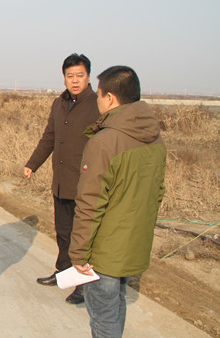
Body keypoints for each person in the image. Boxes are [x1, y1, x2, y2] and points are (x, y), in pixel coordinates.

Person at [70, 66, 166, 337]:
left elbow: (90, 203)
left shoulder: (105, 141)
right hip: (135, 242)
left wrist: (79, 253)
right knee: (117, 305)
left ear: (110, 98)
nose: (98, 101)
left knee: (103, 319)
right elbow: (157, 193)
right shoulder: (154, 138)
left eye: (99, 95)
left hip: (105, 250)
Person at [24, 53, 99, 304]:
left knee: (83, 236)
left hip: (85, 183)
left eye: (80, 75)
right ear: (64, 78)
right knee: (64, 232)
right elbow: (50, 136)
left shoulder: (97, 105)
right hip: (62, 181)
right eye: (70, 76)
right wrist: (32, 163)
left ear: (88, 77)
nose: (75, 80)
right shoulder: (59, 103)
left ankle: (83, 284)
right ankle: (63, 272)